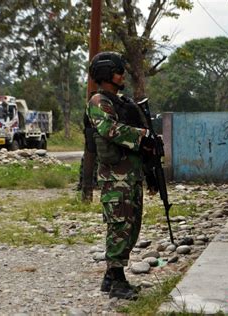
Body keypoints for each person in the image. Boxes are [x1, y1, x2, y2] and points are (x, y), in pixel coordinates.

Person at [86, 51, 156, 300]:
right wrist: (141, 136)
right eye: (118, 70)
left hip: (130, 175)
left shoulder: (122, 101)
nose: (123, 74)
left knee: (132, 226)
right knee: (120, 227)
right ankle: (116, 280)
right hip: (115, 177)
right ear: (106, 74)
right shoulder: (98, 102)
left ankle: (111, 277)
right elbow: (108, 128)